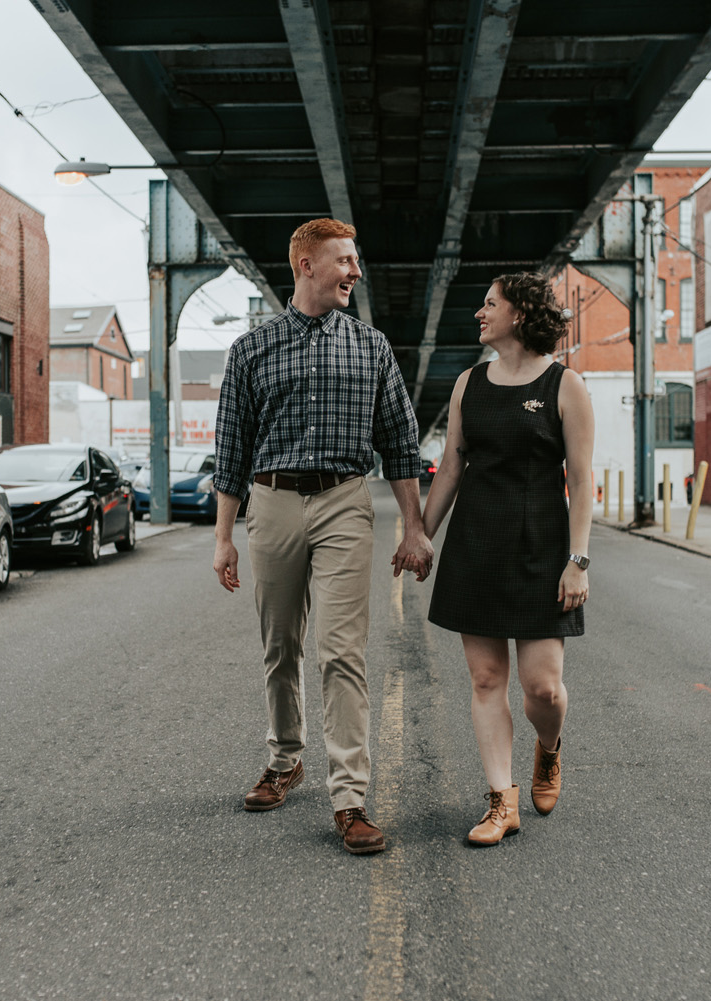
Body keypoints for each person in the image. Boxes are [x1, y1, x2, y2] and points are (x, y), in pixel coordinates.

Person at [211, 218, 434, 856]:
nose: (355, 273)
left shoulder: (372, 347)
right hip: (272, 500)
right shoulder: (251, 350)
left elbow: (398, 444)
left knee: (342, 651)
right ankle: (285, 761)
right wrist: (224, 538)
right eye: (343, 261)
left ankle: (350, 798)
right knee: (280, 645)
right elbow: (231, 450)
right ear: (306, 265)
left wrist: (414, 529)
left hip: (343, 500)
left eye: (355, 261)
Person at [422, 272, 595, 847]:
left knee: (542, 687)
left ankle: (549, 749)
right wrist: (421, 535)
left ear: (520, 314)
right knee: (487, 678)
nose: (478, 312)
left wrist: (579, 560)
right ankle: (501, 802)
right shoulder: (469, 383)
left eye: (489, 303)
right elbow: (450, 466)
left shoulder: (564, 385)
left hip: (543, 548)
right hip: (476, 546)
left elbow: (583, 477)